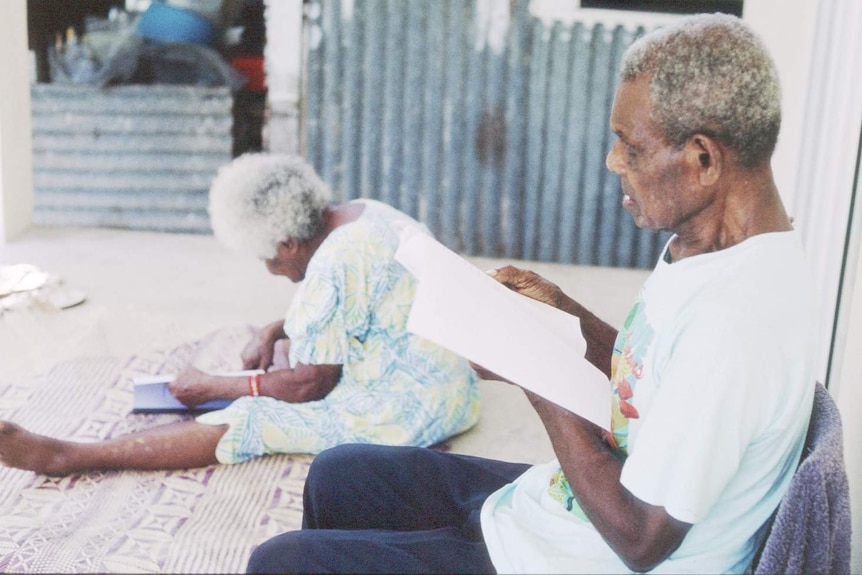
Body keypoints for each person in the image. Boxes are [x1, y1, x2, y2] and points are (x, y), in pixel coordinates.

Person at [246, 13, 818, 575]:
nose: (613, 160)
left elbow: (642, 539)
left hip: (591, 552)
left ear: (702, 159)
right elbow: (658, 374)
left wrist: (534, 369)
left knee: (280, 563)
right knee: (340, 473)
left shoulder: (738, 322)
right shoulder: (712, 251)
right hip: (558, 521)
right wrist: (563, 312)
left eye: (631, 146)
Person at [0, 153, 480, 474]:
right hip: (452, 375)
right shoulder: (367, 212)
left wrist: (218, 386)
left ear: (289, 241)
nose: (271, 269)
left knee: (253, 417)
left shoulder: (332, 266)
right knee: (289, 345)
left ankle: (70, 456)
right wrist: (280, 326)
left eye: (269, 256)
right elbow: (369, 294)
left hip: (415, 410)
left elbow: (308, 386)